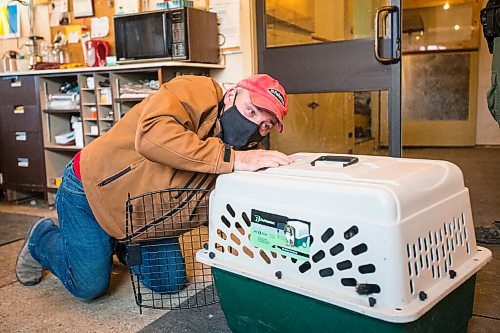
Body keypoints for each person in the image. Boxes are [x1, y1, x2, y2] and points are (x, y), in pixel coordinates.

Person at [15, 74, 293, 300]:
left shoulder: (241, 152)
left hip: (144, 216)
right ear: (232, 94)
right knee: (89, 287)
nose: (254, 125)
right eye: (251, 110)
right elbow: (151, 136)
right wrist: (233, 158)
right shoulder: (198, 90)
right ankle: (42, 237)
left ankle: (115, 244)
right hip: (91, 191)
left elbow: (220, 208)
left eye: (265, 125)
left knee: (169, 282)